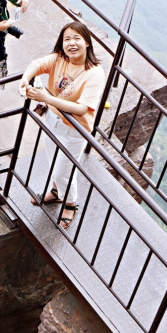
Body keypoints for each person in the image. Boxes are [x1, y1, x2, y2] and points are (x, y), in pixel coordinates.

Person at [19, 21, 106, 228]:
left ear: (87, 42)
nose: (71, 43)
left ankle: (70, 204)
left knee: (63, 171)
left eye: (77, 38)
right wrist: (25, 79)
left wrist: (45, 98)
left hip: (74, 129)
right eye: (67, 39)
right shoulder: (60, 59)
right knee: (52, 161)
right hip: (53, 119)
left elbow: (82, 109)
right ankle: (58, 192)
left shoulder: (94, 73)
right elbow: (38, 64)